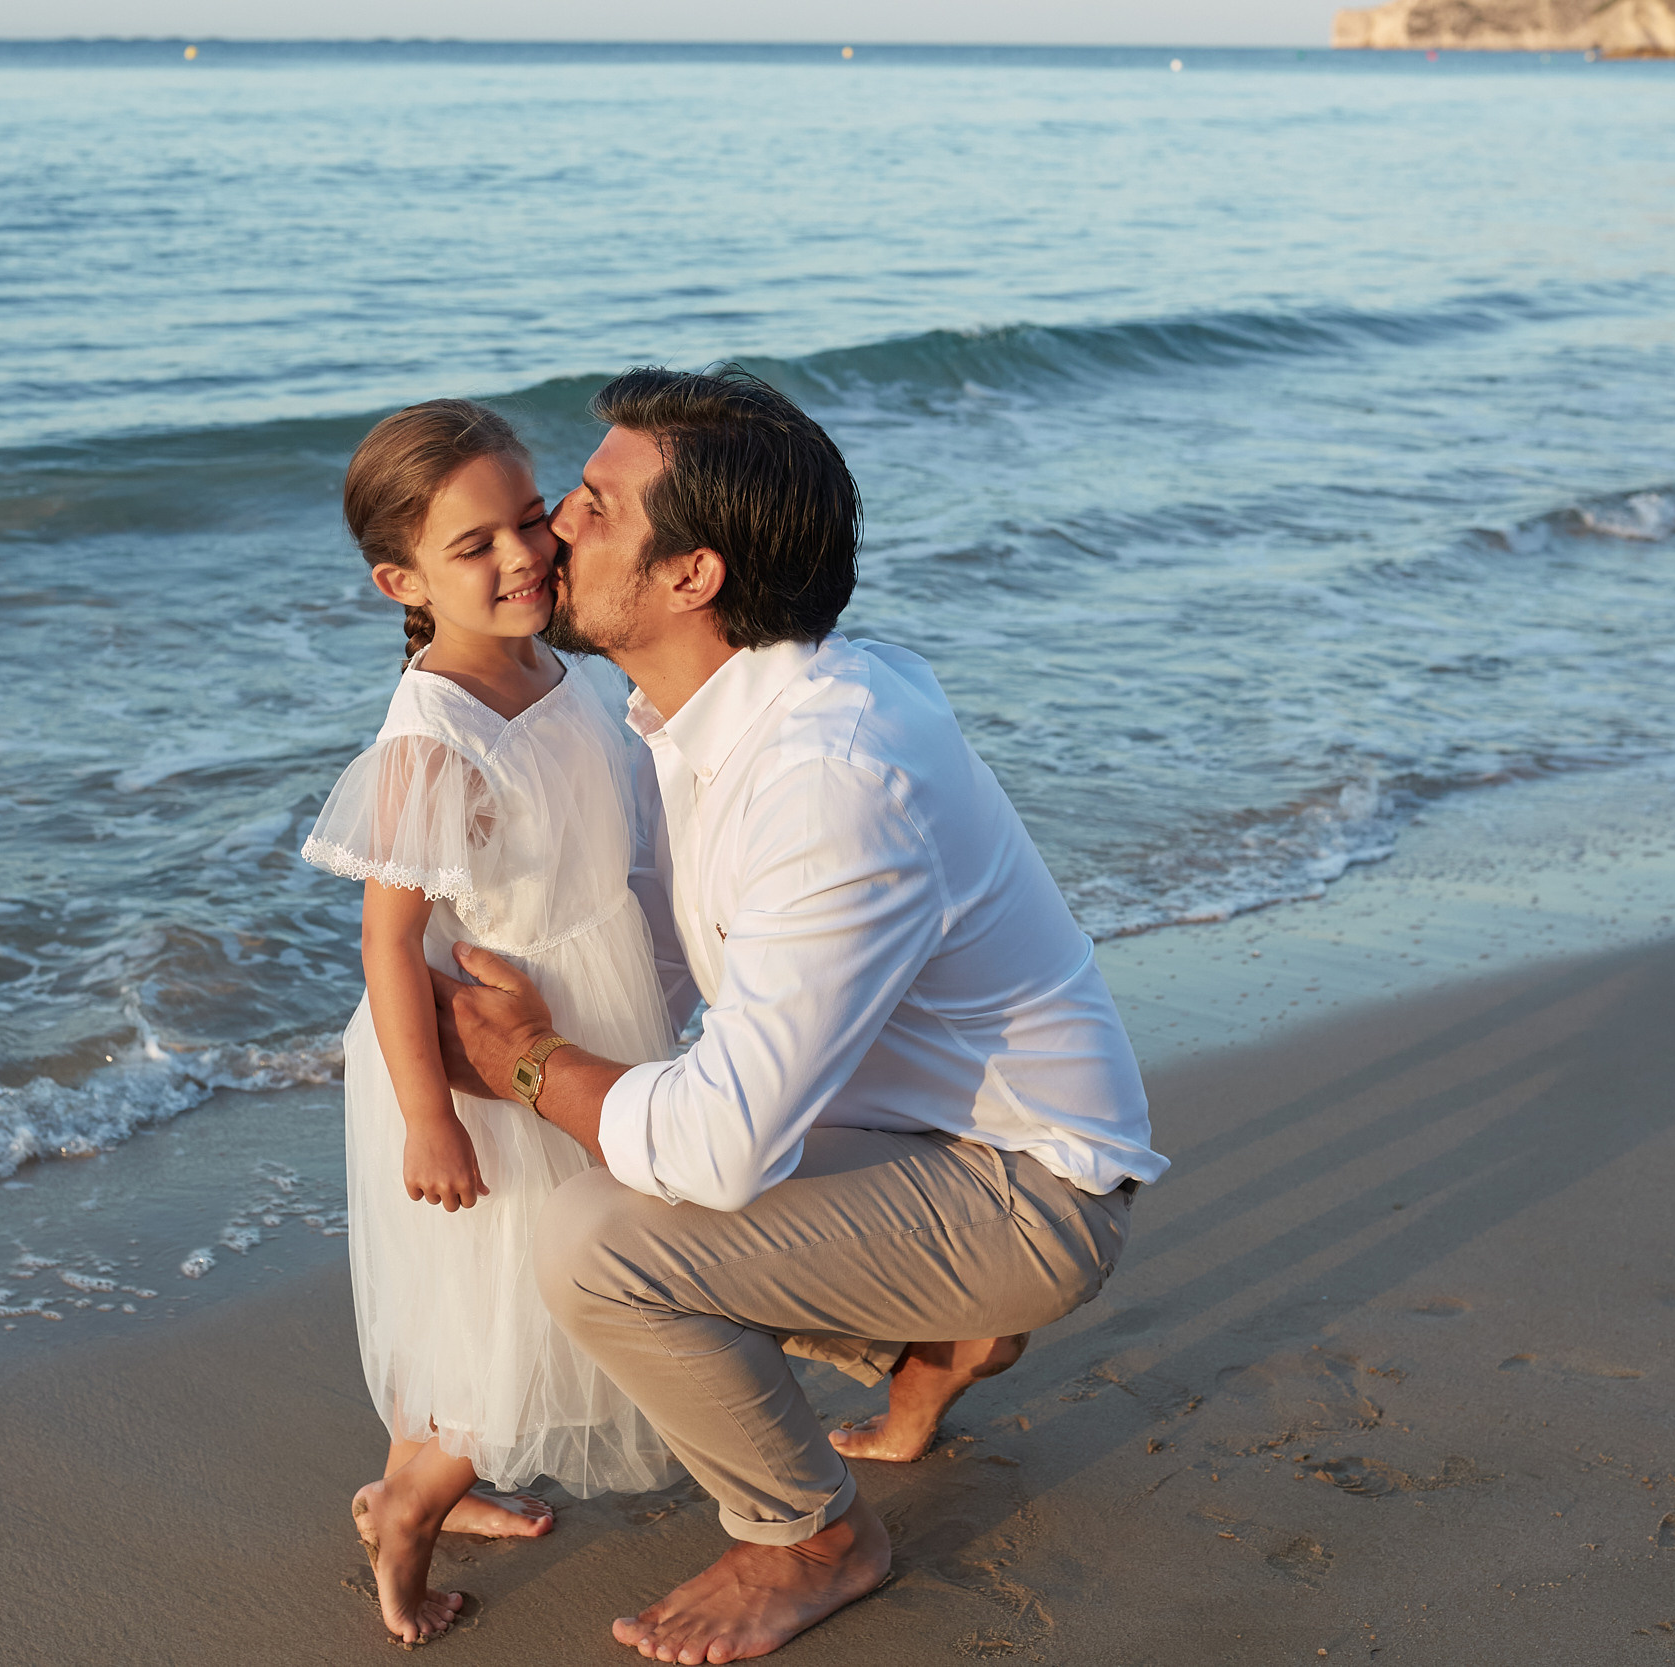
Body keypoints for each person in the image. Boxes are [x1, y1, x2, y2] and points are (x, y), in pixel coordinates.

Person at [429, 367, 1170, 1662]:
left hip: (1026, 1189)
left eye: (593, 509)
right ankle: (939, 1331)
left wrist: (530, 1058)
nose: (552, 535)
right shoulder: (704, 711)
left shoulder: (829, 772)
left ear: (692, 575)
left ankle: (811, 1533)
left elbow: (715, 1147)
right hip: (915, 1139)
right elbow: (676, 989)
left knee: (599, 1241)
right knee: (625, 1144)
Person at [299, 398, 680, 1646]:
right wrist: (426, 1119)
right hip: (477, 1068)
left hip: (583, 1003)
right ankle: (403, 1517)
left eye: (529, 521)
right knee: (510, 1320)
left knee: (496, 1307)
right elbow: (386, 944)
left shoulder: (550, 659)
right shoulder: (431, 734)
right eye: (477, 546)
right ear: (399, 577)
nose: (522, 556)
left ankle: (422, 1474)